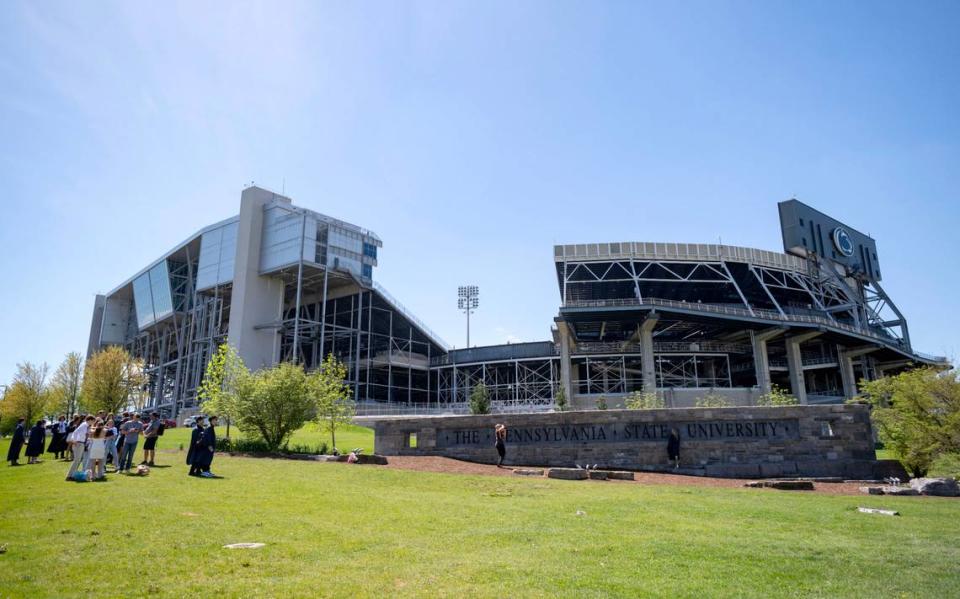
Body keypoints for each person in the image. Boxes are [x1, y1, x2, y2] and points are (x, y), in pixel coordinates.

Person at [66, 415, 94, 481]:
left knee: (77, 461)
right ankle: (69, 476)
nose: (93, 423)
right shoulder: (84, 425)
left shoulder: (85, 425)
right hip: (79, 443)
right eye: (93, 421)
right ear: (89, 420)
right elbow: (75, 432)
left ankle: (72, 475)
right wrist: (74, 440)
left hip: (80, 443)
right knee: (76, 461)